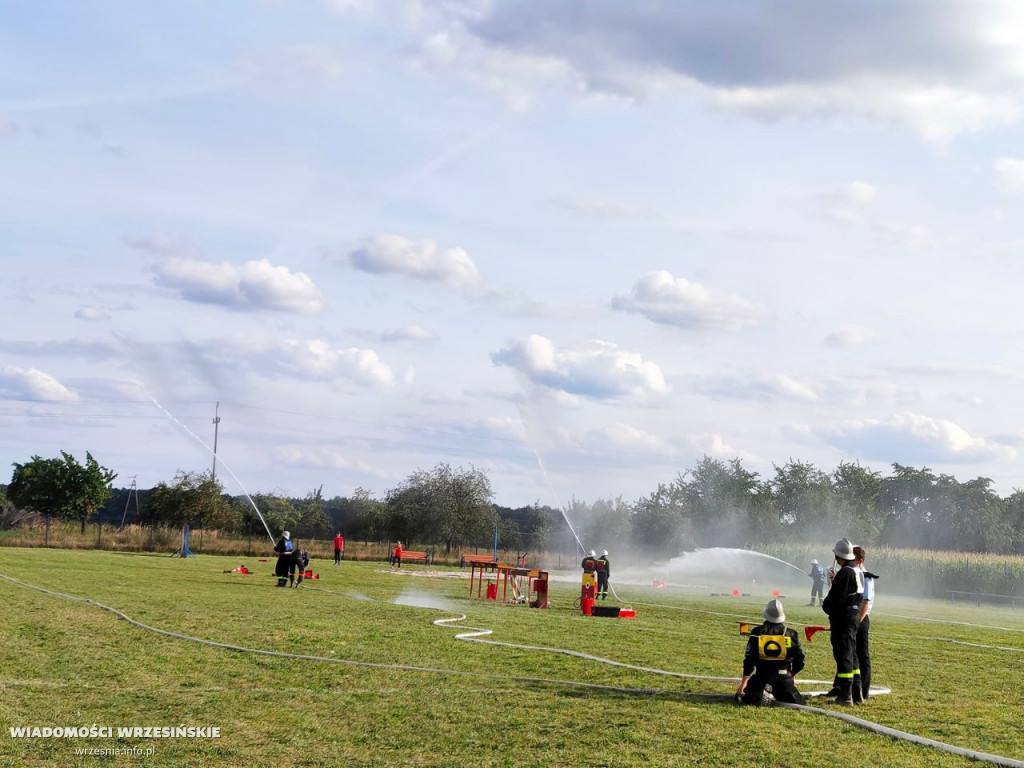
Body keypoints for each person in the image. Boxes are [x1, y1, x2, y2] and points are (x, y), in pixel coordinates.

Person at [736, 599, 806, 706]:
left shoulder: (757, 633)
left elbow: (749, 659)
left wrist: (743, 683)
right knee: (798, 702)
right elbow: (800, 660)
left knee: (742, 698)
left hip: (762, 677)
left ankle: (761, 693)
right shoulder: (791, 634)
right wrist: (792, 675)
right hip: (784, 679)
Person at [821, 536, 864, 705]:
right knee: (852, 654)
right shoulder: (857, 571)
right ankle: (856, 692)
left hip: (843, 618)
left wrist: (826, 606)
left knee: (843, 655)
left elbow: (836, 599)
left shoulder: (845, 572)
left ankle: (845, 696)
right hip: (853, 616)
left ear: (839, 557)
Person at [853, 545, 877, 701]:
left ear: (860, 560)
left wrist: (857, 623)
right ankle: (841, 687)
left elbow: (865, 603)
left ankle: (864, 691)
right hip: (852, 617)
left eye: (853, 559)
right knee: (848, 653)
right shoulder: (853, 574)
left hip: (860, 618)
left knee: (862, 655)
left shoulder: (865, 577)